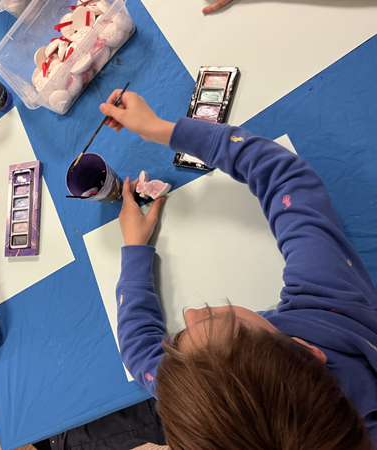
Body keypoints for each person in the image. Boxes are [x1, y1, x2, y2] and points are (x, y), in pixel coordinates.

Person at [99, 90, 376, 448]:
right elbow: (284, 178)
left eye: (177, 339)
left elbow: (138, 350)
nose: (192, 314)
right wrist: (163, 130)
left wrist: (135, 248)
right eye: (219, 321)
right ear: (308, 350)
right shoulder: (333, 307)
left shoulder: (198, 394)